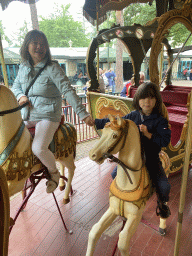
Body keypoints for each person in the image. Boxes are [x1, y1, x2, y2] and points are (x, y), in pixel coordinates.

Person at [12, 29, 94, 194]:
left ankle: (54, 173)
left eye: (42, 44)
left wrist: (83, 114)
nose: (39, 47)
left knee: (38, 148)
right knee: (14, 141)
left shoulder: (52, 67)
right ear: (27, 45)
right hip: (28, 114)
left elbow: (68, 90)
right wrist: (20, 96)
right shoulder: (23, 67)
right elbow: (16, 86)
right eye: (35, 43)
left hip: (48, 115)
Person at [94, 82, 171, 218]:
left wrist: (149, 134)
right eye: (143, 98)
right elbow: (118, 121)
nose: (147, 101)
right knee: (114, 175)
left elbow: (165, 141)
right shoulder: (133, 116)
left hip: (150, 157)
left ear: (156, 101)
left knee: (164, 186)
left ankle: (161, 204)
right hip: (131, 158)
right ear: (138, 100)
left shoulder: (160, 120)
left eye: (151, 98)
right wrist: (95, 122)